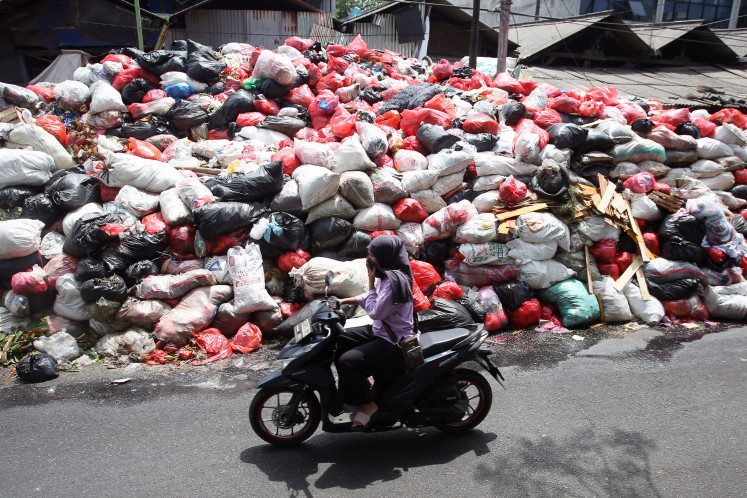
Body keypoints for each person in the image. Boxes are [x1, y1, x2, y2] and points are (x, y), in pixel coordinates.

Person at [335, 235, 417, 429]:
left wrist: (371, 282)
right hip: (382, 331)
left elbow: (375, 312)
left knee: (347, 361)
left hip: (395, 341)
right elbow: (370, 298)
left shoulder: (394, 282)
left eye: (372, 254)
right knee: (341, 338)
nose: (368, 258)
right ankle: (361, 386)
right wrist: (343, 301)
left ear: (385, 255)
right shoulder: (386, 274)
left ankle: (368, 404)